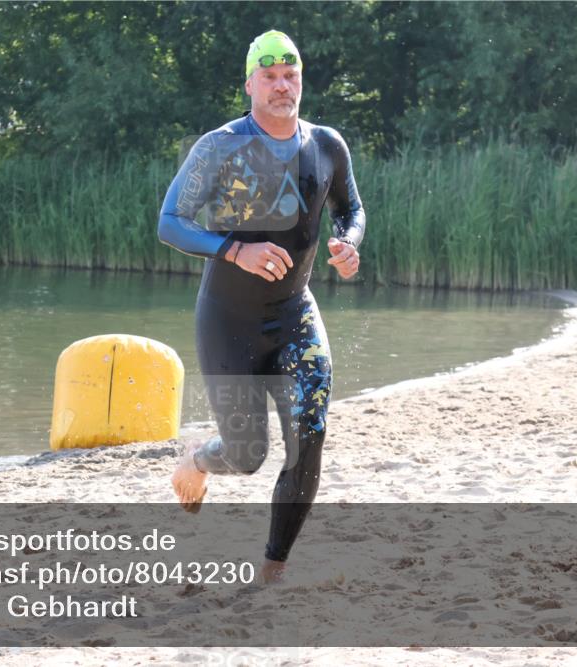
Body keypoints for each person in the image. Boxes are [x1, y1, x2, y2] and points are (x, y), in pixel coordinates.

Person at [157, 29, 365, 584]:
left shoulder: (326, 145)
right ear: (250, 84)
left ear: (301, 79)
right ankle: (198, 460)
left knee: (309, 435)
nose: (281, 85)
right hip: (229, 321)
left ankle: (272, 570)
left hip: (295, 313)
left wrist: (349, 245)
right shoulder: (220, 146)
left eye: (289, 74)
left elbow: (351, 208)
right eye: (268, 76)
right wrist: (234, 249)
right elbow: (170, 222)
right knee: (247, 455)